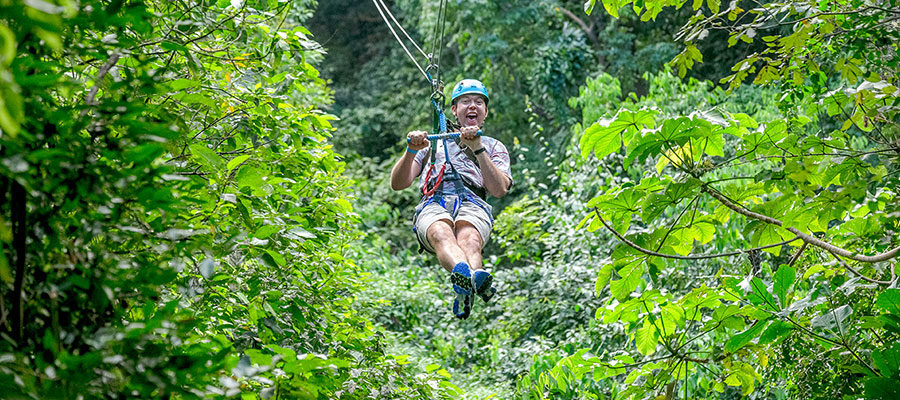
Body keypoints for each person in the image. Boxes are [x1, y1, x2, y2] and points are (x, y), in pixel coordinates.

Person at [390, 79, 513, 319]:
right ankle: (469, 276)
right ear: (454, 110)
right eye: (465, 101)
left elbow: (499, 190)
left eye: (479, 102)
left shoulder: (494, 147)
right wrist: (412, 150)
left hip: (472, 201)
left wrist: (477, 147)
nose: (472, 106)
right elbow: (398, 184)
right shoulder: (432, 143)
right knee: (440, 231)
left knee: (469, 238)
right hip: (433, 201)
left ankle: (470, 280)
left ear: (485, 112)